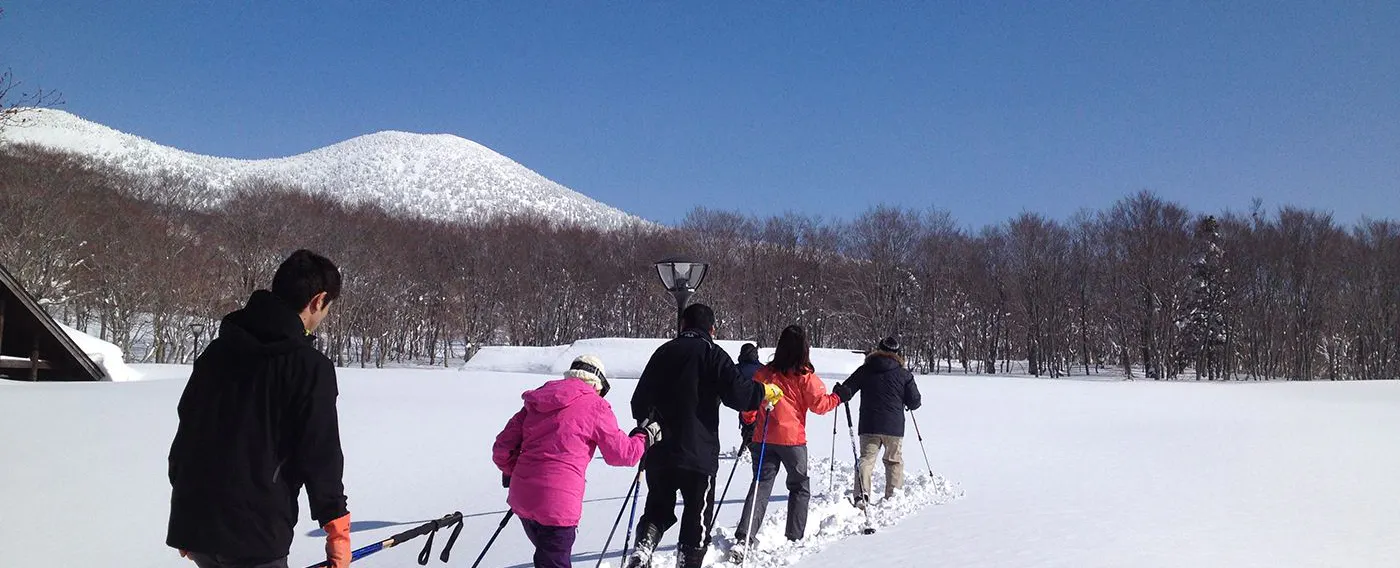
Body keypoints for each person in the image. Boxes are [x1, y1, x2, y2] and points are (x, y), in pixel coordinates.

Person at [167, 250, 350, 568]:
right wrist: (338, 532)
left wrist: (189, 510)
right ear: (318, 300)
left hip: (196, 523)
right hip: (256, 534)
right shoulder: (309, 367)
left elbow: (189, 431)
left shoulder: (218, 350)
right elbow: (321, 455)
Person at [627, 304, 784, 568]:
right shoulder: (713, 354)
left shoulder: (663, 352)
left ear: (682, 326)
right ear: (711, 329)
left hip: (660, 450)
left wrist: (649, 426)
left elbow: (638, 402)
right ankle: (687, 561)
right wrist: (763, 393)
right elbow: (739, 395)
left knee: (657, 507)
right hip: (698, 453)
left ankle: (643, 550)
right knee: (696, 516)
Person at [492, 355, 661, 568]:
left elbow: (502, 449)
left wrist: (515, 472)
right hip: (557, 506)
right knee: (553, 559)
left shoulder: (538, 400)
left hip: (522, 498)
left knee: (547, 556)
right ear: (596, 384)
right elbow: (622, 455)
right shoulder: (595, 405)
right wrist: (643, 438)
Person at [731, 325, 840, 560]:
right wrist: (839, 397)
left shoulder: (764, 373)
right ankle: (794, 535)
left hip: (764, 436)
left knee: (760, 485)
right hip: (792, 440)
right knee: (799, 485)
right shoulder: (805, 377)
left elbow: (751, 402)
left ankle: (744, 537)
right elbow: (820, 405)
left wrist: (749, 422)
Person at [832, 336, 922, 508]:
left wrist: (839, 391)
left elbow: (847, 390)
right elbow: (915, 402)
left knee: (866, 459)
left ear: (877, 349)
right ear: (897, 353)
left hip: (869, 424)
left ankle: (861, 495)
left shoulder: (865, 370)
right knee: (893, 460)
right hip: (894, 426)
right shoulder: (904, 375)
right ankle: (893, 495)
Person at [736, 343, 763, 443]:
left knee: (747, 426)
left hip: (744, 404)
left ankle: (747, 442)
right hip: (763, 404)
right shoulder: (763, 369)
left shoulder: (736, 369)